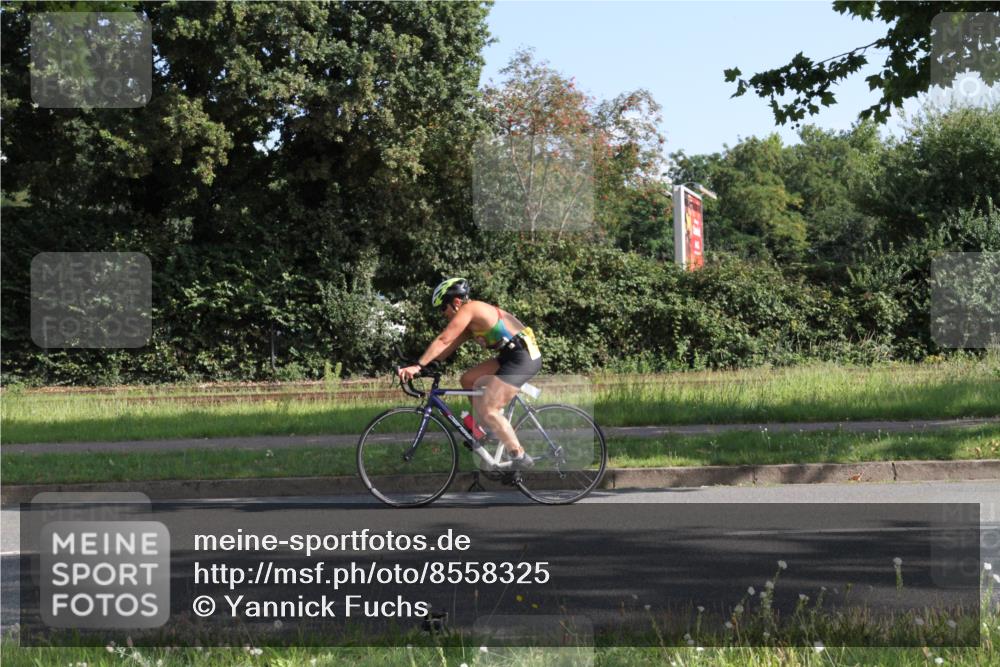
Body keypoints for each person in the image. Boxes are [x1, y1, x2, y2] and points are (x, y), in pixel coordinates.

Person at [397, 277, 542, 469]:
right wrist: (427, 365)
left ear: (456, 302)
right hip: (510, 356)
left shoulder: (470, 309)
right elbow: (448, 347)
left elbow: (444, 339)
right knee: (468, 379)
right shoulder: (470, 322)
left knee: (490, 408)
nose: (443, 314)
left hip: (523, 357)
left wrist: (418, 365)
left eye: (443, 308)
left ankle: (520, 456)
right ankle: (490, 430)